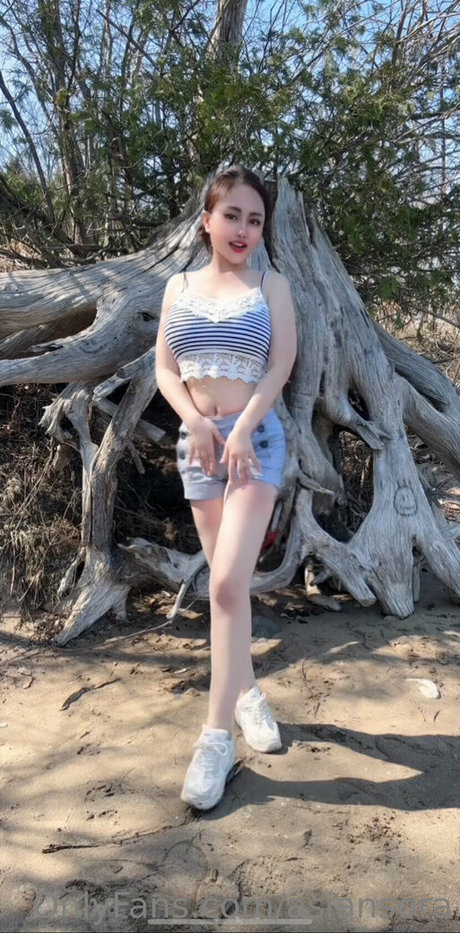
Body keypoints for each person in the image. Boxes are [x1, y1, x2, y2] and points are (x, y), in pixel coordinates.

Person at [155, 164, 297, 810]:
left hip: (254, 444)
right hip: (199, 447)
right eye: (232, 215)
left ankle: (215, 739)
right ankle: (246, 693)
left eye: (255, 219)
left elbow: (281, 364)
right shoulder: (178, 286)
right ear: (207, 220)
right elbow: (165, 368)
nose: (243, 229)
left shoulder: (272, 286)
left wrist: (242, 427)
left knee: (225, 586)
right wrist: (194, 421)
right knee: (227, 588)